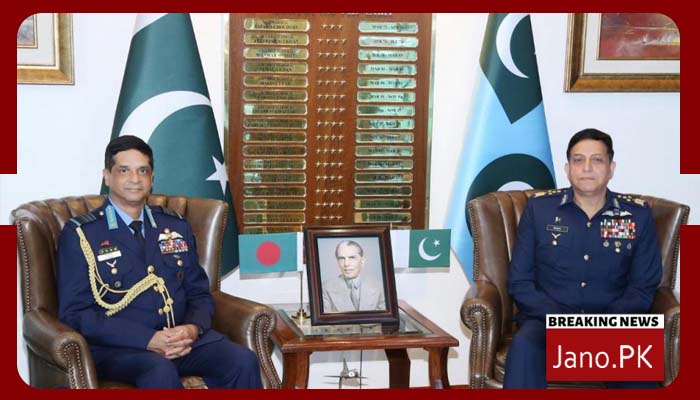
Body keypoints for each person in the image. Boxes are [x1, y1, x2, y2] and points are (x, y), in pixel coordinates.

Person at [56, 135, 262, 389]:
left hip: (181, 340)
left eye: (143, 171)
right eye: (124, 170)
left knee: (241, 361)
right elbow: (75, 313)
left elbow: (198, 292)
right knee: (158, 371)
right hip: (121, 348)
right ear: (107, 177)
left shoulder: (174, 226)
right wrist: (147, 339)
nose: (135, 179)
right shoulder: (82, 234)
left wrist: (191, 329)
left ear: (152, 179)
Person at [504, 128, 662, 389]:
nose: (587, 168)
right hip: (547, 322)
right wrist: (561, 321)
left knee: (637, 358)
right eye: (578, 160)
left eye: (597, 160)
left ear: (611, 169)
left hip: (614, 324)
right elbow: (520, 281)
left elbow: (643, 286)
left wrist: (604, 324)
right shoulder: (540, 210)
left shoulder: (637, 216)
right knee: (524, 346)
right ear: (568, 169)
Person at [322, 240, 386, 312]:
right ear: (337, 261)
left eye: (352, 257)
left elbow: (385, 316)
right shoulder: (326, 288)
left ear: (363, 260)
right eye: (341, 258)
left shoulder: (379, 287)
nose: (346, 264)